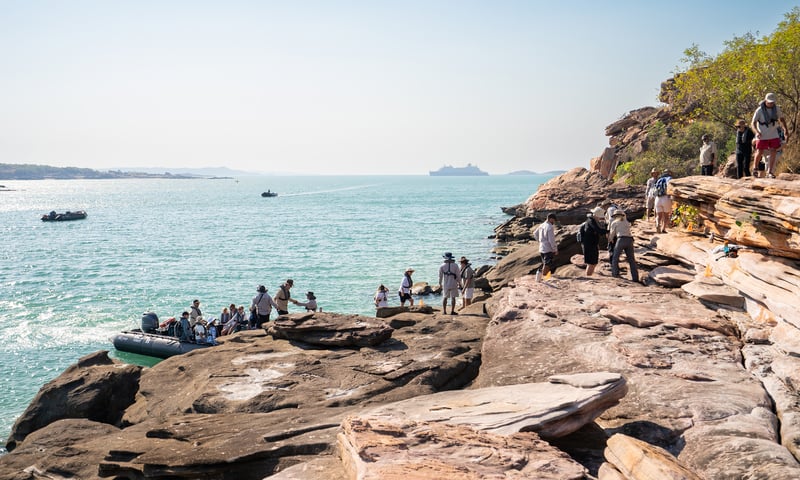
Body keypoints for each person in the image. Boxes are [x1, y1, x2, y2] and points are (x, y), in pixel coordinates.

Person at [752, 93, 789, 178]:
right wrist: (756, 132)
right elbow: (753, 123)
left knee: (773, 151)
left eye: (772, 102)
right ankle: (755, 168)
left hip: (773, 133)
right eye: (769, 102)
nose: (771, 104)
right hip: (762, 134)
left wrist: (785, 129)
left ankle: (770, 172)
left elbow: (782, 119)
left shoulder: (776, 109)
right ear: (765, 101)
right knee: (760, 151)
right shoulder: (759, 110)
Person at [608, 209, 639, 282]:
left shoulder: (614, 222)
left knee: (615, 258)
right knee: (631, 260)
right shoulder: (626, 222)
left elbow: (612, 233)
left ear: (615, 216)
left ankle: (615, 274)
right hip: (630, 240)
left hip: (621, 239)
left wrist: (610, 240)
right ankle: (635, 277)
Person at [578, 210, 605, 276]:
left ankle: (589, 276)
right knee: (591, 263)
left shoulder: (591, 221)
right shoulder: (591, 221)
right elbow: (598, 230)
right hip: (589, 245)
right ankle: (588, 276)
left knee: (593, 263)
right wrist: (608, 231)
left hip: (591, 244)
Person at [654, 169, 673, 234]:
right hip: (666, 198)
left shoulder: (659, 179)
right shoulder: (669, 178)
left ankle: (657, 224)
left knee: (658, 215)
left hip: (657, 198)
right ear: (669, 173)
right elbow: (669, 185)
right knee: (666, 215)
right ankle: (663, 229)